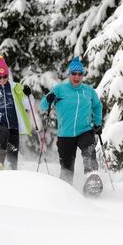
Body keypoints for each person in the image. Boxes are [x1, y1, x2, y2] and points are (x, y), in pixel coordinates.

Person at [40, 56, 103, 185]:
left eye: (80, 74)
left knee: (89, 149)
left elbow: (97, 106)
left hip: (84, 130)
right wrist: (48, 98)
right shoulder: (60, 89)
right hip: (65, 134)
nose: (77, 77)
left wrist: (97, 123)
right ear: (70, 74)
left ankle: (92, 179)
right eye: (74, 73)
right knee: (67, 168)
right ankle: (66, 190)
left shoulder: (88, 91)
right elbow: (43, 105)